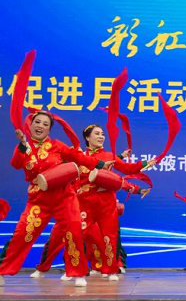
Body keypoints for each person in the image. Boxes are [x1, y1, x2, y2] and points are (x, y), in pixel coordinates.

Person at [0, 112, 115, 287]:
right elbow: (16, 164)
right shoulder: (24, 148)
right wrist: (22, 146)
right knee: (23, 234)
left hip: (64, 197)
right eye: (37, 122)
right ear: (30, 125)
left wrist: (99, 164)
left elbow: (78, 157)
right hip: (39, 199)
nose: (40, 126)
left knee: (74, 231)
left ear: (49, 130)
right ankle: (3, 270)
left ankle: (78, 273)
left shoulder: (56, 145)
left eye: (45, 124)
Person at [30, 124, 153, 281]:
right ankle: (66, 268)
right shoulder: (79, 156)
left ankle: (110, 270)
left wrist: (145, 164)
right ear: (87, 138)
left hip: (106, 203)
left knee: (109, 237)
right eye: (97, 134)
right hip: (83, 203)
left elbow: (127, 170)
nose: (101, 137)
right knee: (72, 236)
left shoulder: (109, 155)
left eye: (103, 134)